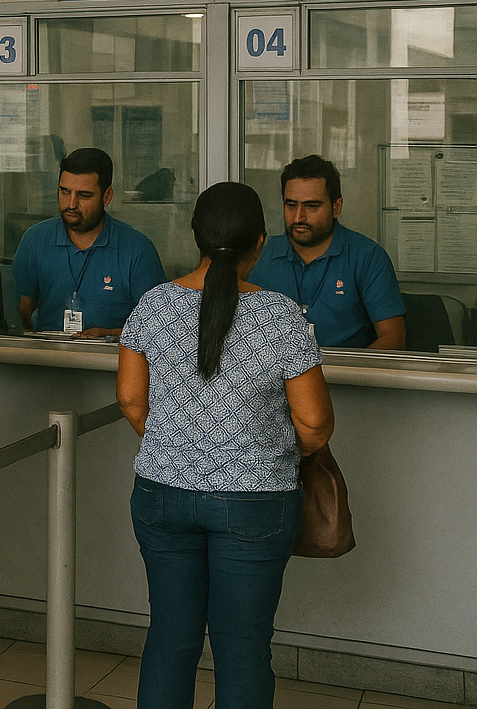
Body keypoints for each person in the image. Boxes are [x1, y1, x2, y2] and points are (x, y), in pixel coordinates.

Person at [117, 181, 334, 708]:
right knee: (242, 649)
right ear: (260, 242)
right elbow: (315, 423)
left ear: (195, 238)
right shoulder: (281, 316)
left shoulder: (153, 305)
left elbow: (131, 402)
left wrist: (179, 443)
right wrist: (275, 451)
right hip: (256, 502)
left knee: (170, 638)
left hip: (162, 495)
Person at [247, 155, 406, 349]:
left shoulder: (367, 257)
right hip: (276, 376)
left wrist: (348, 374)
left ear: (336, 207)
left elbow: (393, 338)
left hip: (345, 375)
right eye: (291, 205)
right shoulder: (260, 254)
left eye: (311, 206)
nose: (298, 217)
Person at [13, 147, 166, 338]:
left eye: (84, 195)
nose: (71, 204)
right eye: (64, 192)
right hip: (48, 357)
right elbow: (24, 312)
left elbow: (157, 327)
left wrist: (109, 334)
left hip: (111, 361)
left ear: (107, 196)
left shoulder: (136, 250)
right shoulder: (35, 240)